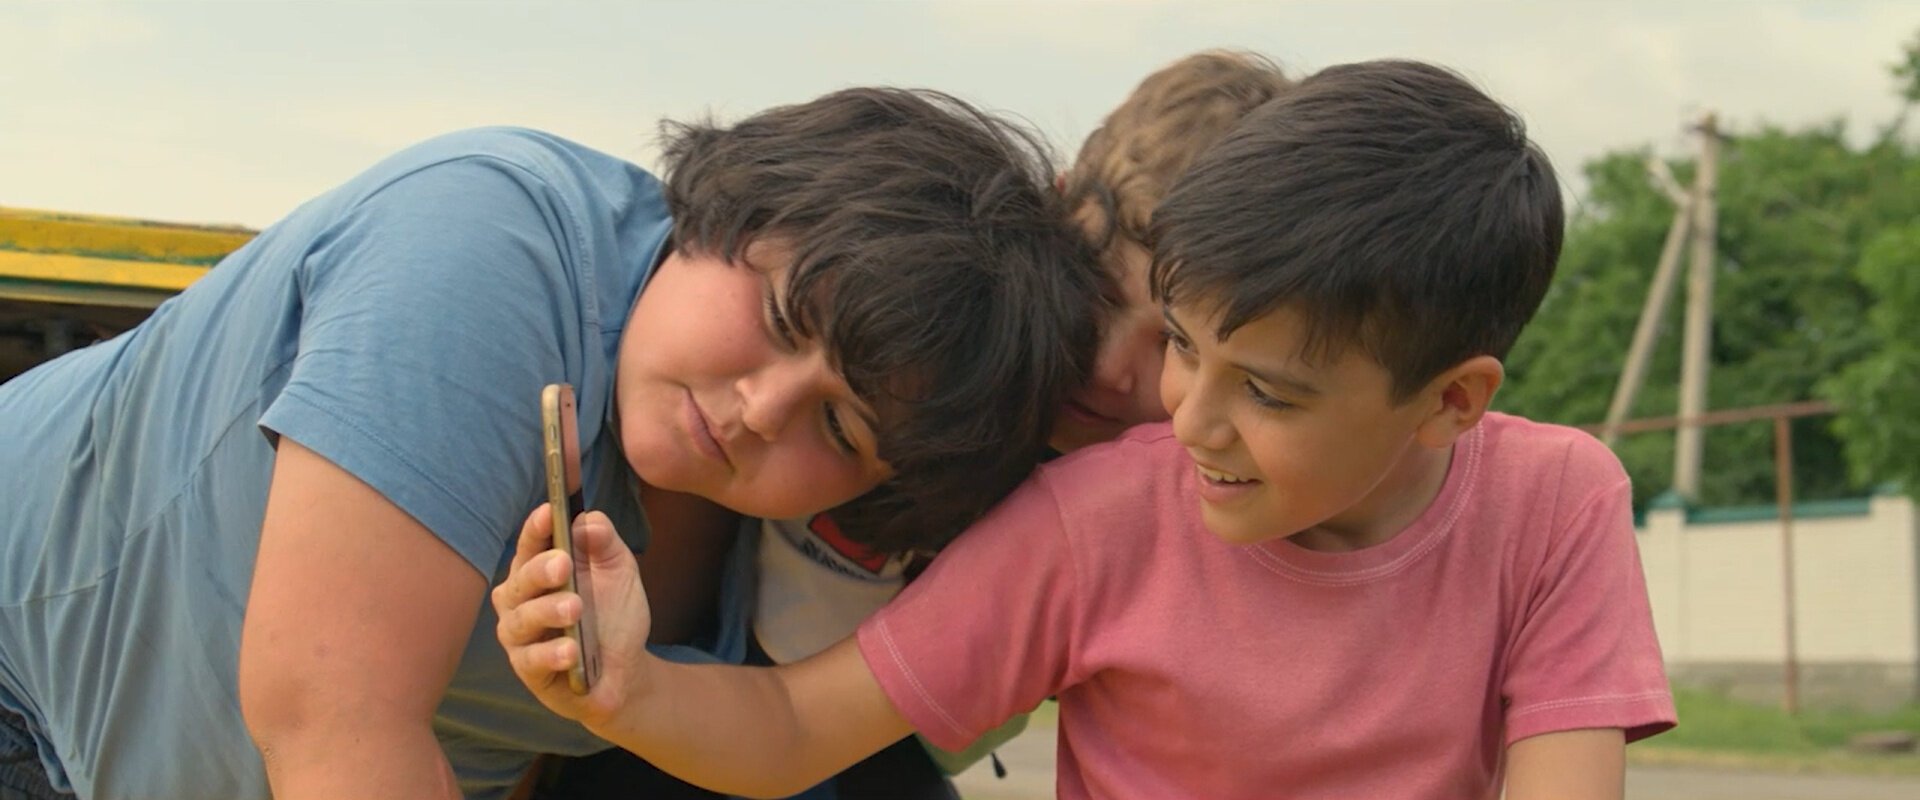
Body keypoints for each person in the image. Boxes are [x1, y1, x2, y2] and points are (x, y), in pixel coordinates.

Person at [494, 60, 1678, 800]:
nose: (1189, 415)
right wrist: (626, 687)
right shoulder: (1098, 513)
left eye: (1269, 392)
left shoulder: (1556, 500)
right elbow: (801, 723)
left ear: (1453, 400)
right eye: (1183, 344)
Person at [0, 88, 1099, 800]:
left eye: (841, 424)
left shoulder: (784, 563)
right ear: (730, 206)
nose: (764, 407)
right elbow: (334, 718)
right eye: (780, 317)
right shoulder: (489, 246)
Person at [524, 50, 1296, 800]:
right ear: (1059, 210)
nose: (1107, 365)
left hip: (889, 728)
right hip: (720, 697)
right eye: (1097, 293)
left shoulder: (1175, 489)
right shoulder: (937, 351)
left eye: (1171, 340)